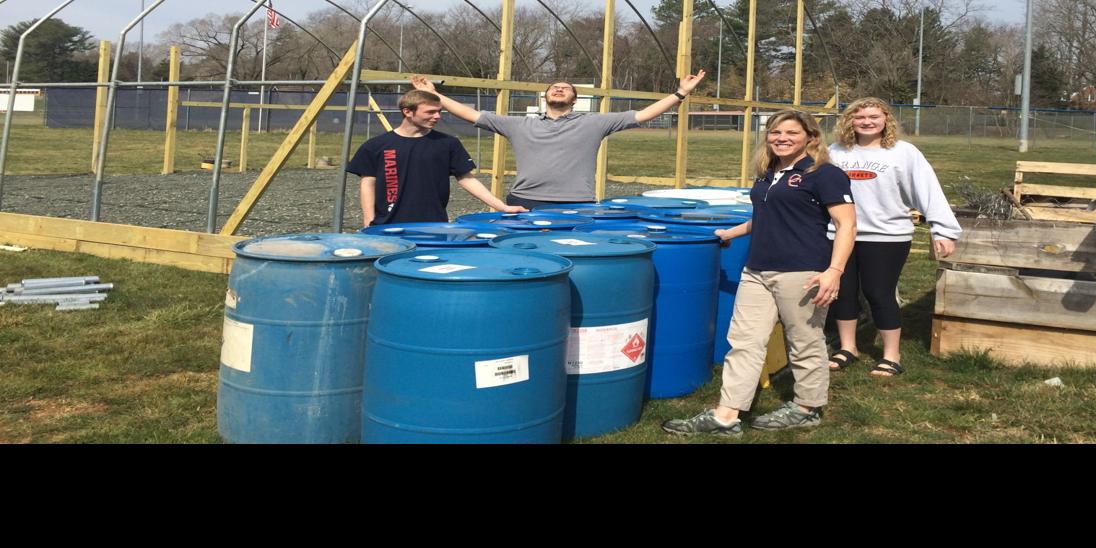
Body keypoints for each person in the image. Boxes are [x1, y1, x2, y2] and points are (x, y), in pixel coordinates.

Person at [661, 109, 855, 436]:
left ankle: (807, 408)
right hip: (757, 270)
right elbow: (766, 217)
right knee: (744, 341)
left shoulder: (824, 174)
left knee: (804, 341)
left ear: (810, 137)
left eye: (791, 133)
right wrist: (729, 234)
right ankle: (726, 415)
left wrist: (834, 271)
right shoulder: (768, 172)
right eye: (775, 132)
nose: (781, 139)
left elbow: (846, 224)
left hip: (803, 271)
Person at [408, 71, 707, 208]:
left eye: (566, 88)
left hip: (577, 204)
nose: (560, 89)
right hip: (524, 204)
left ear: (575, 100)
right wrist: (436, 95)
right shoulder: (519, 125)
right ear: (546, 97)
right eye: (555, 87)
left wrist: (680, 94)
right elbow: (472, 115)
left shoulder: (594, 123)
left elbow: (643, 115)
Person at [823, 97, 960, 377]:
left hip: (887, 236)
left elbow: (928, 190)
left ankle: (891, 355)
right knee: (842, 292)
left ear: (886, 119)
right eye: (859, 117)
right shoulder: (835, 152)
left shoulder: (902, 152)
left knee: (878, 292)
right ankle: (848, 348)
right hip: (839, 235)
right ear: (849, 121)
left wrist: (943, 229)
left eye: (874, 116)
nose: (866, 122)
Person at [347, 88, 524, 226]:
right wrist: (369, 220)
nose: (437, 116)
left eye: (439, 111)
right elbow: (367, 183)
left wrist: (502, 207)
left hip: (433, 226)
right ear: (408, 112)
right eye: (430, 112)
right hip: (387, 226)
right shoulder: (376, 146)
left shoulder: (447, 144)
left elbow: (467, 179)